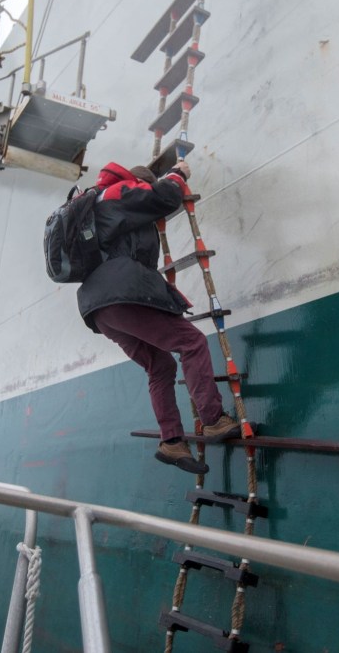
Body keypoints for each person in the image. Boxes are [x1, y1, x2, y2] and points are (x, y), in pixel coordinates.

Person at [75, 160, 242, 474]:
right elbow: (163, 197)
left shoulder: (95, 207)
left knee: (160, 364)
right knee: (191, 341)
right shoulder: (118, 192)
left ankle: (172, 441)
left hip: (99, 307)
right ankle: (213, 420)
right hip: (122, 294)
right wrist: (177, 176)